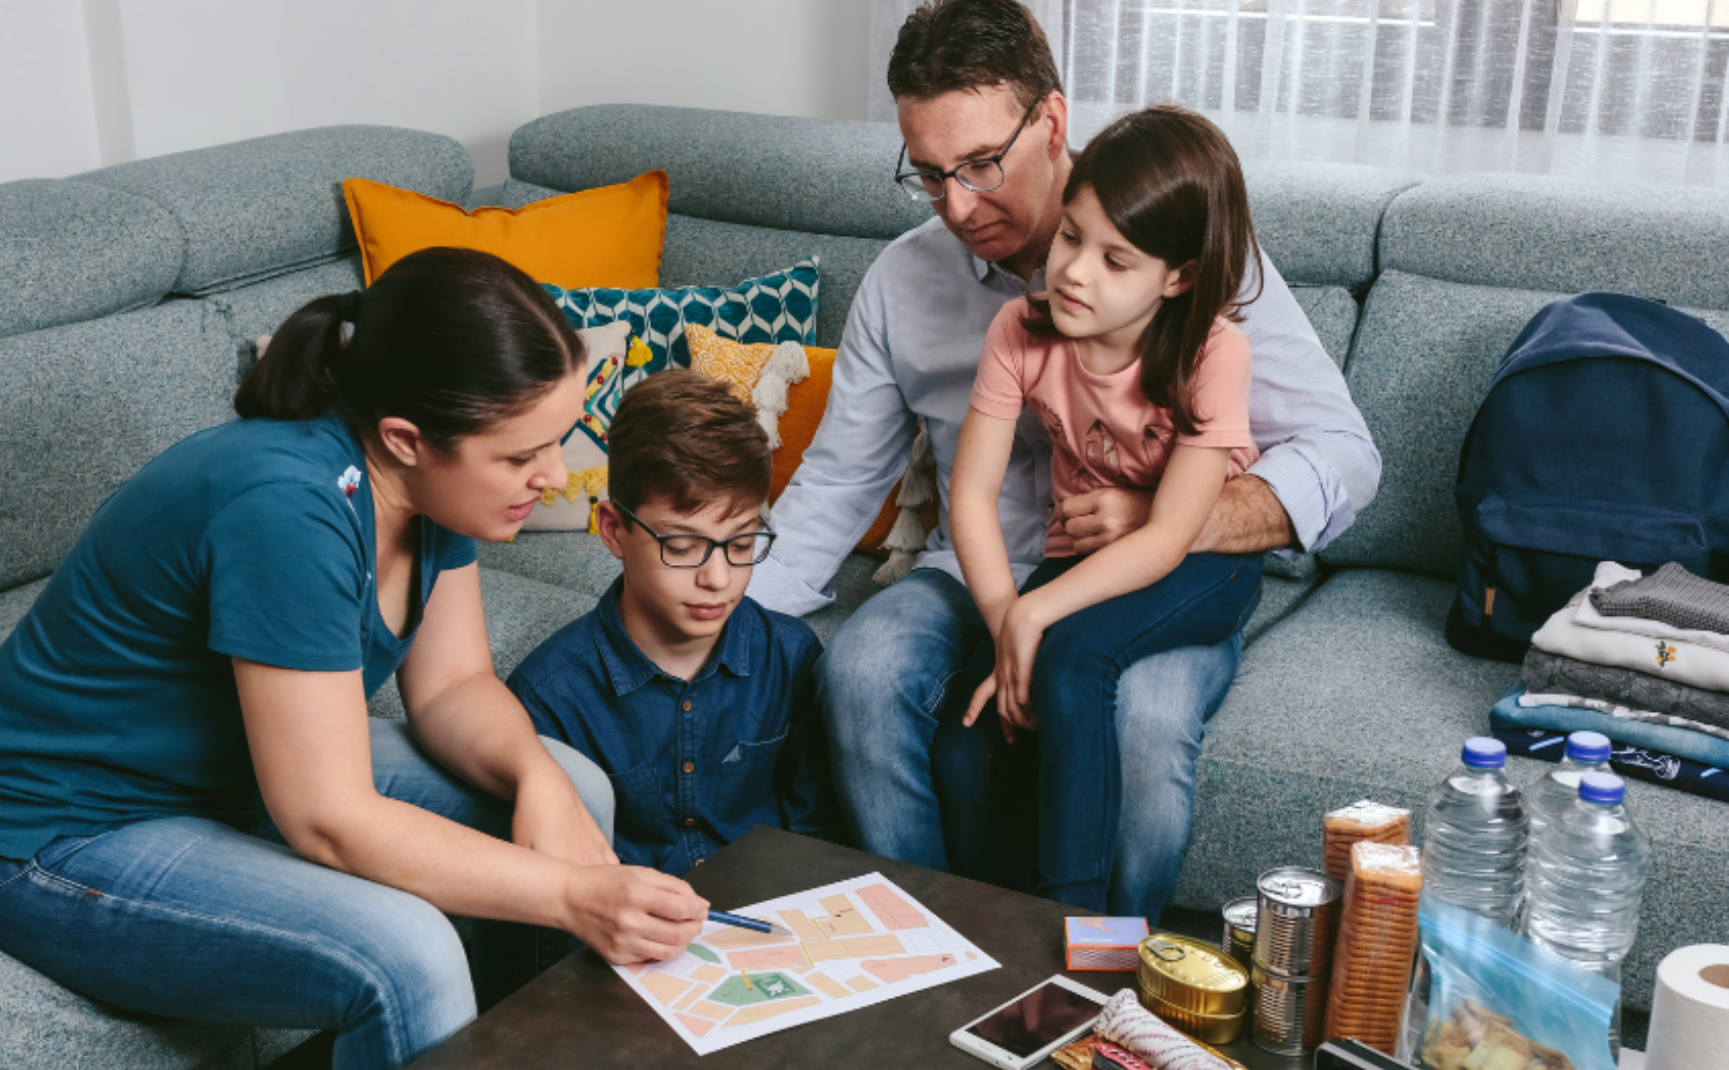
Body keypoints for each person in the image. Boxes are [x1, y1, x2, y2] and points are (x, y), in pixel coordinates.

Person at [0, 247, 710, 1070]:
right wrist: (570, 895)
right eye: (522, 457)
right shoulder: (286, 509)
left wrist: (538, 780)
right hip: (60, 835)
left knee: (573, 785)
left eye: (555, 442)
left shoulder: (433, 490)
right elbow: (328, 817)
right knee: (408, 954)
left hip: (229, 773)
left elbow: (453, 686)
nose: (555, 478)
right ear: (406, 439)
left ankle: (529, 1058)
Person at [746, 0, 1380, 920]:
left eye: (979, 166)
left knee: (1145, 721)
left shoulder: (1186, 253)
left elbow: (1345, 456)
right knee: (861, 671)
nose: (957, 205)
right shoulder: (905, 283)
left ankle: (1104, 980)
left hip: (1144, 574)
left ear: (1052, 122)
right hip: (975, 571)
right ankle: (938, 953)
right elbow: (841, 481)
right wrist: (721, 622)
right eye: (928, 176)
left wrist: (1179, 518)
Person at [946, 105, 1264, 911]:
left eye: (1116, 260)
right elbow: (972, 496)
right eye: (1071, 238)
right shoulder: (1021, 329)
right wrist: (1003, 620)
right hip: (1079, 555)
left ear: (1179, 276)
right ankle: (1000, 927)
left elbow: (1164, 541)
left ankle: (1076, 936)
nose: (1077, 272)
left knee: (1075, 660)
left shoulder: (1211, 351)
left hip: (1200, 563)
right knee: (977, 723)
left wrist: (1036, 618)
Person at [510, 370, 836, 876]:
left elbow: (815, 836)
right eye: (682, 547)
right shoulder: (547, 697)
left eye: (743, 544)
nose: (718, 578)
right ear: (615, 530)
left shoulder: (791, 657)